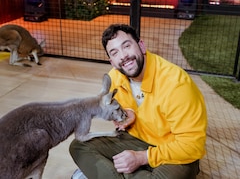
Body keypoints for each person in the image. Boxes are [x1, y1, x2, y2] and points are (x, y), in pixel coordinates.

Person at [69, 24, 207, 179]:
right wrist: (128, 115)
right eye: (115, 53)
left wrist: (142, 157)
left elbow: (192, 146)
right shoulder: (114, 77)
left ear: (141, 46)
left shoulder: (177, 84)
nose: (123, 56)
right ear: (112, 62)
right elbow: (118, 110)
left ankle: (107, 172)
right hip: (136, 139)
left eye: (126, 46)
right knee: (79, 146)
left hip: (174, 150)